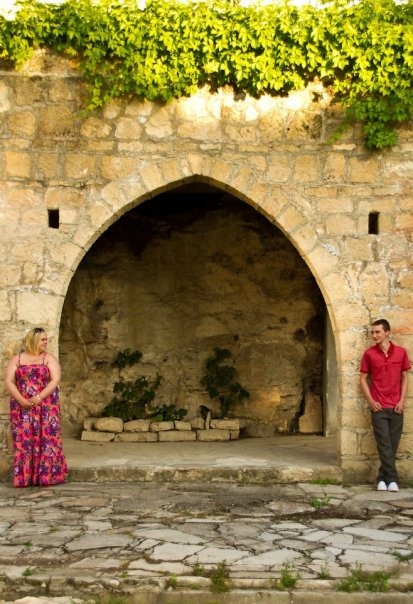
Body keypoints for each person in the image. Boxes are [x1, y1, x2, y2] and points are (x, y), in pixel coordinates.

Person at [5, 327, 68, 487]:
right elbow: (9, 381)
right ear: (33, 340)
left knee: (47, 439)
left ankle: (46, 477)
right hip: (22, 408)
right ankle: (26, 478)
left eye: (46, 339)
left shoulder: (48, 358)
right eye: (43, 340)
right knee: (24, 441)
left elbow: (55, 380)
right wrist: (21, 400)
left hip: (46, 407)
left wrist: (38, 398)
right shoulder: (17, 359)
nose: (46, 342)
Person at [360, 319, 410, 492]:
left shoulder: (401, 352)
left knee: (392, 445)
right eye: (372, 332)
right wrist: (370, 401)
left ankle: (382, 479)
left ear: (387, 332)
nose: (374, 335)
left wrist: (402, 401)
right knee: (384, 443)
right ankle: (393, 480)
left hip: (396, 406)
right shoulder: (369, 354)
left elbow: (405, 377)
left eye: (377, 332)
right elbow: (363, 379)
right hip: (379, 407)